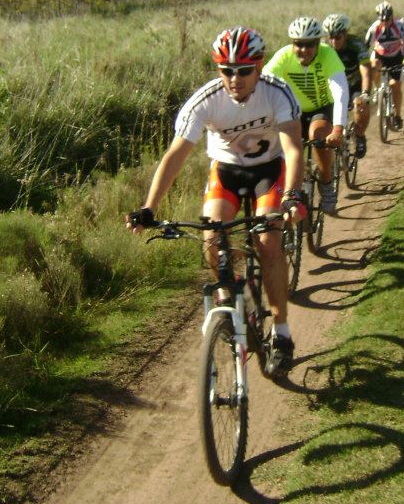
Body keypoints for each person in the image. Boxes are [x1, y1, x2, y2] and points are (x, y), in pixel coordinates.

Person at [126, 26, 305, 377]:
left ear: (259, 66)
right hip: (226, 172)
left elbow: (294, 149)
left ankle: (282, 333)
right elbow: (175, 156)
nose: (234, 79)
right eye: (226, 70)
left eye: (243, 70)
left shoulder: (277, 93)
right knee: (211, 237)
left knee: (268, 241)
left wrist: (292, 196)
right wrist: (149, 207)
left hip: (269, 172)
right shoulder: (206, 99)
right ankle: (231, 296)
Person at [263, 17, 349, 214]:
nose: (304, 49)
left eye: (310, 44)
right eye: (299, 44)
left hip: (321, 107)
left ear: (319, 43)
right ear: (292, 43)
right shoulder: (284, 56)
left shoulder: (328, 55)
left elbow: (340, 92)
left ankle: (326, 183)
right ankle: (291, 191)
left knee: (317, 134)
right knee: (288, 149)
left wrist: (338, 128)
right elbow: (265, 84)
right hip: (293, 111)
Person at [322, 13, 371, 159]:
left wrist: (365, 92)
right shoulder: (324, 49)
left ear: (345, 34)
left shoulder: (356, 44)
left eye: (337, 37)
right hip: (333, 88)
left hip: (354, 84)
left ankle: (360, 136)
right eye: (330, 37)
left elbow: (366, 69)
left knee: (360, 105)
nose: (333, 41)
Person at [364, 1, 404, 130]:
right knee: (374, 65)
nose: (386, 22)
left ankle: (398, 116)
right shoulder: (374, 28)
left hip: (396, 57)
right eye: (383, 20)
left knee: (395, 85)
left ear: (392, 17)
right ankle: (378, 89)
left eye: (388, 19)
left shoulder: (399, 26)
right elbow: (365, 46)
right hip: (380, 56)